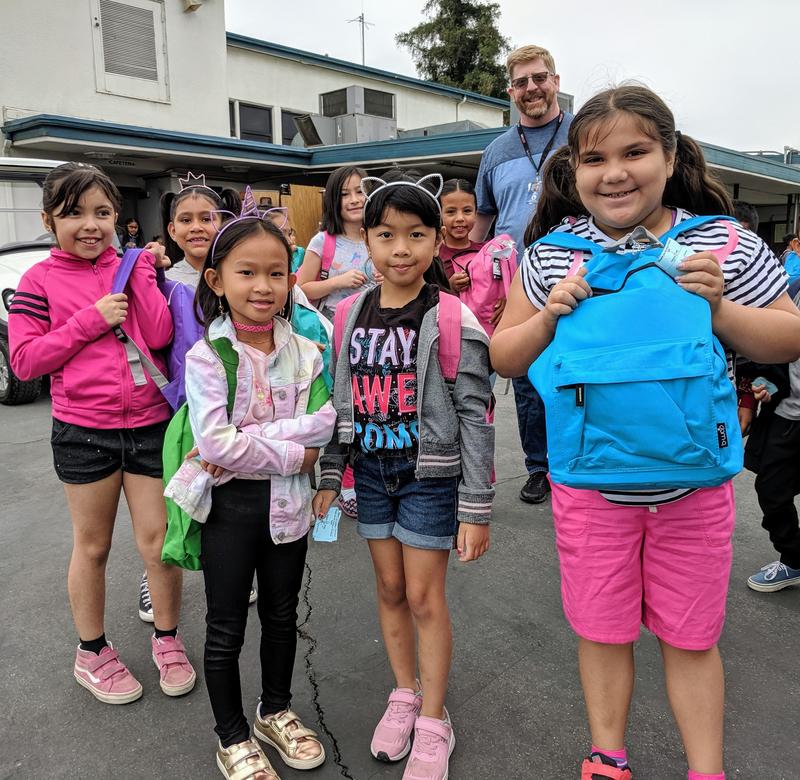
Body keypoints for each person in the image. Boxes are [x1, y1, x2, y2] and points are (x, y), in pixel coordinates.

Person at [490, 85, 800, 780]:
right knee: (602, 633)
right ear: (573, 169)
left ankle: (706, 770)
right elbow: (504, 355)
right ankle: (608, 757)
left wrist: (719, 308)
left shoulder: (722, 242)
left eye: (635, 152)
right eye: (595, 158)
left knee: (692, 639)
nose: (615, 173)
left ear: (670, 155)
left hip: (693, 489)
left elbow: (789, 335)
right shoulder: (551, 255)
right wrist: (549, 316)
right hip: (591, 490)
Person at [313, 170, 494, 780]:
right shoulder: (347, 314)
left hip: (428, 478)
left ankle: (434, 718)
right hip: (370, 474)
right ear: (365, 240)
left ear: (437, 240)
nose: (400, 248)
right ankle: (404, 693)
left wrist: (476, 507)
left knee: (423, 596)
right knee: (390, 589)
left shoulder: (453, 317)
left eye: (416, 234)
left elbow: (475, 414)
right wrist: (331, 473)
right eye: (386, 235)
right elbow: (340, 400)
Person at [8, 162, 196, 704]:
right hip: (83, 430)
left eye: (102, 212)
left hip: (150, 424)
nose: (90, 225)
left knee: (159, 543)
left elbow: (159, 332)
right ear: (48, 219)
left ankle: (167, 638)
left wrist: (140, 275)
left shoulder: (134, 266)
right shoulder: (38, 281)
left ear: (117, 217)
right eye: (73, 213)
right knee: (92, 546)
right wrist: (91, 319)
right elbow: (25, 361)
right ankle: (91, 652)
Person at [175, 199, 336, 779]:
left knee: (281, 615)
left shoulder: (308, 353)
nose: (263, 286)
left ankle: (275, 710)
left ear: (291, 278)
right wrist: (294, 452)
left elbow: (325, 422)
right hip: (228, 510)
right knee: (225, 626)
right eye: (247, 272)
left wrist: (252, 439)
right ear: (217, 281)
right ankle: (232, 735)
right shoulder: (208, 356)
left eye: (276, 272)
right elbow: (216, 443)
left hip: (288, 508)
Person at [472, 44, 573, 505]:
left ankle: (579, 463)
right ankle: (538, 468)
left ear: (555, 81)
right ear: (510, 91)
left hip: (583, 275)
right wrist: (468, 275)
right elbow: (481, 226)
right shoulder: (496, 152)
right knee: (528, 384)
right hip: (521, 286)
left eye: (539, 78)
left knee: (579, 374)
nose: (531, 88)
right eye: (521, 82)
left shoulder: (583, 133)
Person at [741, 276, 800, 592]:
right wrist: (757, 392)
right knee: (771, 489)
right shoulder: (789, 290)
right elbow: (764, 357)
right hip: (788, 416)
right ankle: (794, 558)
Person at [296, 165, 376, 322]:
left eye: (360, 191)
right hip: (334, 324)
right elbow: (302, 288)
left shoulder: (383, 237)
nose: (354, 200)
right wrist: (337, 282)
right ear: (333, 201)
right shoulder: (322, 241)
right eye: (344, 194)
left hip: (375, 323)